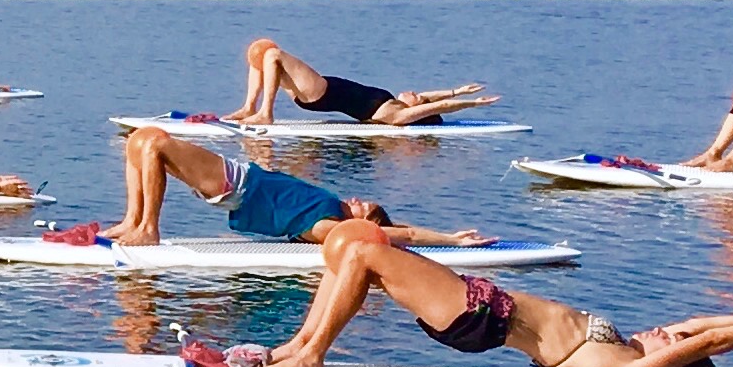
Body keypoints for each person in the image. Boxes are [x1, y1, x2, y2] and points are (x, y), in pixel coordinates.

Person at [248, 225, 733, 367]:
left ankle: (312, 357)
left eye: (669, 342)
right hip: (482, 305)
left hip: (481, 317)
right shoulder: (636, 345)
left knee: (365, 253)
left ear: (673, 363)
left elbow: (702, 343)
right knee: (348, 240)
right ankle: (299, 347)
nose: (668, 329)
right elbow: (703, 328)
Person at [110, 125, 490, 249]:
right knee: (140, 141)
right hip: (240, 178)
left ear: (364, 223)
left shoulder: (327, 227)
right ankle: (132, 221)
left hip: (237, 184)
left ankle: (149, 229)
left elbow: (399, 234)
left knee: (156, 144)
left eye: (363, 207)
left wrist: (452, 240)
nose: (356, 199)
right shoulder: (328, 210)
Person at [230, 38, 496, 127]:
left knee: (273, 53)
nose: (416, 92)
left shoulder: (398, 115)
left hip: (321, 92)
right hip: (318, 93)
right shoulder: (398, 102)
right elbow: (434, 98)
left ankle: (265, 113)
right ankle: (250, 108)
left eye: (419, 97)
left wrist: (471, 103)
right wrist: (458, 89)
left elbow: (440, 107)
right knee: (261, 54)